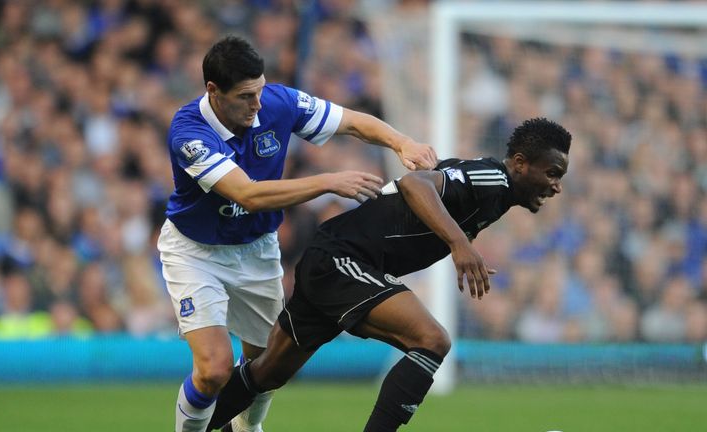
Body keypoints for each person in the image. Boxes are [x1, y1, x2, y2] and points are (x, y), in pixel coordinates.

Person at [205, 117, 571, 432]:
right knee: (432, 340)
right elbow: (416, 184)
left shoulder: (497, 197)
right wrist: (460, 244)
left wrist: (461, 243)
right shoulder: (494, 178)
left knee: (267, 372)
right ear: (520, 164)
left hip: (335, 261)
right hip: (343, 259)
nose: (556, 185)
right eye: (552, 173)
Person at [157, 35, 437, 432]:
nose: (257, 105)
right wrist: (327, 181)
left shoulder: (277, 101)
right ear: (213, 91)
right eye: (245, 97)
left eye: (260, 90)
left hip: (256, 250)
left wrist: (401, 142)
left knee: (267, 365)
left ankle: (247, 429)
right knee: (214, 369)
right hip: (196, 253)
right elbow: (248, 195)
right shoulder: (189, 133)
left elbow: (352, 121)